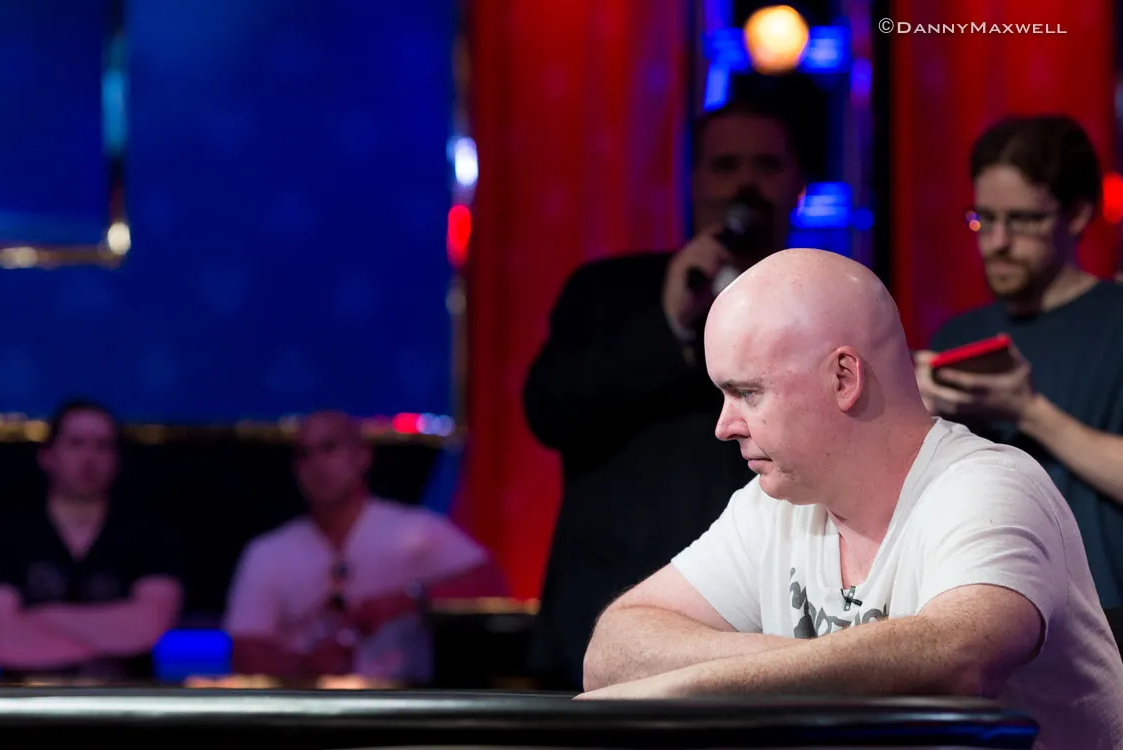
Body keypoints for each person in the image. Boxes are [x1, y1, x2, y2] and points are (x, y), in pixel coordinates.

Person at [578, 250, 1123, 748]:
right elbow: (612, 651)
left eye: (747, 392)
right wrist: (793, 668)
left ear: (844, 377)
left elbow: (957, 659)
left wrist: (694, 684)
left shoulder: (987, 487)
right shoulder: (772, 508)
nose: (724, 426)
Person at [523, 96, 806, 690]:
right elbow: (548, 409)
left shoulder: (823, 303)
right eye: (725, 165)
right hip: (608, 615)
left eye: (766, 165)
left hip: (764, 629)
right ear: (693, 179)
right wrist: (670, 324)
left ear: (797, 183)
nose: (746, 183)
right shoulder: (609, 291)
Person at [915, 115, 1123, 610]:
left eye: (1023, 220)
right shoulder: (957, 337)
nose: (997, 241)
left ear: (1077, 215)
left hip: (1107, 615)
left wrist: (1028, 411)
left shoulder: (1115, 320)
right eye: (984, 218)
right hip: (978, 608)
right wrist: (912, 419)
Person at [224, 411, 505, 684]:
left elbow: (492, 586)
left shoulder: (415, 531)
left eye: (329, 448)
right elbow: (244, 653)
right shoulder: (268, 552)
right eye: (304, 454)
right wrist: (307, 665)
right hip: (308, 704)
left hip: (403, 701)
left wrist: (407, 600)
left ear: (362, 455)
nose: (316, 464)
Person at [0, 399, 184, 681]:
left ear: (117, 460)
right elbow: (4, 643)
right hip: (27, 703)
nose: (89, 458)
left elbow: (147, 629)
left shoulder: (150, 536)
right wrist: (110, 636)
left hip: (125, 701)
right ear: (47, 456)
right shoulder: (2, 537)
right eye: (76, 443)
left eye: (102, 446)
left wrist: (43, 617)